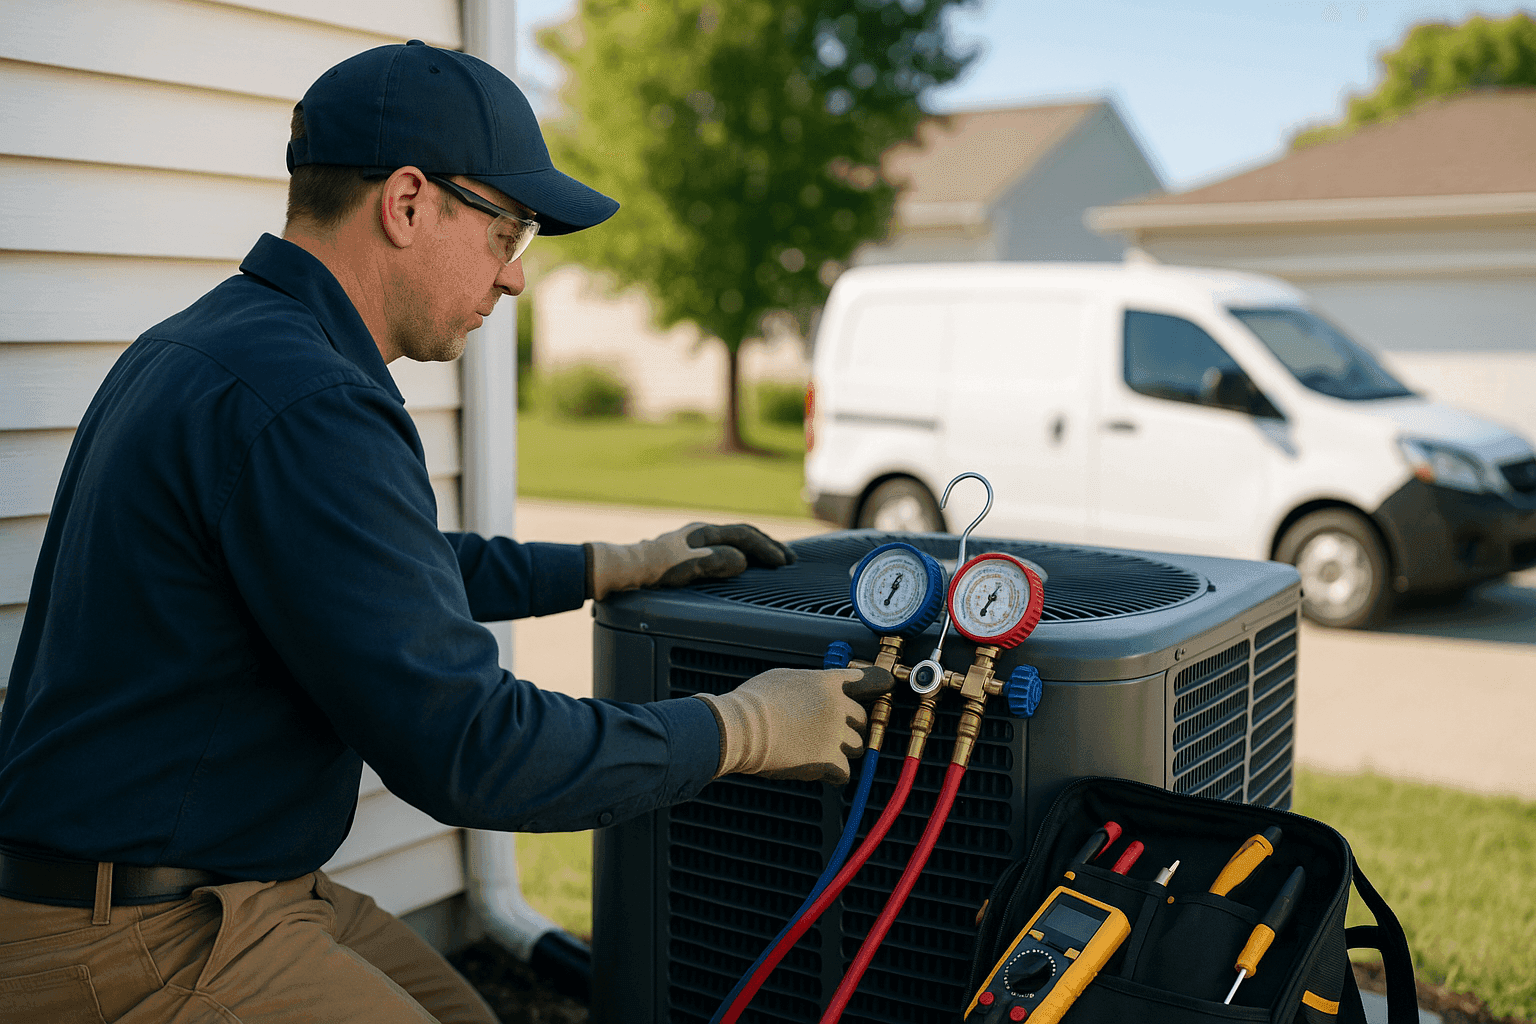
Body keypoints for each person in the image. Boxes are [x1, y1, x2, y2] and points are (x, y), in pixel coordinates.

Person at [0, 40, 890, 1023]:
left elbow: (370, 574)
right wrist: (750, 725)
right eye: (507, 230)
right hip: (139, 937)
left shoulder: (214, 344)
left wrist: (610, 564)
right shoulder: (310, 399)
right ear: (409, 202)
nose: (513, 278)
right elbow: (475, 750)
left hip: (214, 885)